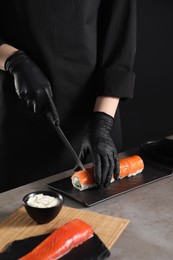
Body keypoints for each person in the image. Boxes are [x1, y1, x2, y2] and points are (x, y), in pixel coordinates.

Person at [0, 0, 136, 192]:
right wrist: (13, 61)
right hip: (20, 122)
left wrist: (102, 124)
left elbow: (119, 46)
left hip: (94, 123)